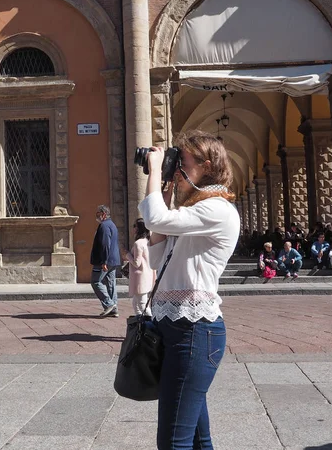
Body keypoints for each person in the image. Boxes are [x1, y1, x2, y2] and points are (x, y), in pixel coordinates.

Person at [139, 130, 240, 449]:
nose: (177, 168)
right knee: (197, 439)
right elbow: (157, 253)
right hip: (175, 328)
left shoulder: (217, 209)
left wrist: (155, 170)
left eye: (182, 163)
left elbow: (154, 216)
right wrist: (167, 186)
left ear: (207, 166)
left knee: (172, 442)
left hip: (195, 332)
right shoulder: (196, 213)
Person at [90, 204, 121, 317]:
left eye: (98, 214)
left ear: (103, 214)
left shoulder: (104, 226)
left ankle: (109, 304)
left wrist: (104, 261)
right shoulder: (112, 225)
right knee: (110, 283)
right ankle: (114, 308)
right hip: (113, 260)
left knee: (95, 281)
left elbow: (105, 244)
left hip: (104, 261)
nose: (96, 216)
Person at [121, 218, 155, 316]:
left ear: (139, 228)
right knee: (136, 304)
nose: (133, 228)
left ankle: (151, 325)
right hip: (146, 275)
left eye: (134, 226)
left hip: (140, 277)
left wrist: (127, 254)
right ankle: (141, 325)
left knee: (142, 305)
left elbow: (137, 263)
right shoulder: (148, 241)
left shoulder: (138, 243)